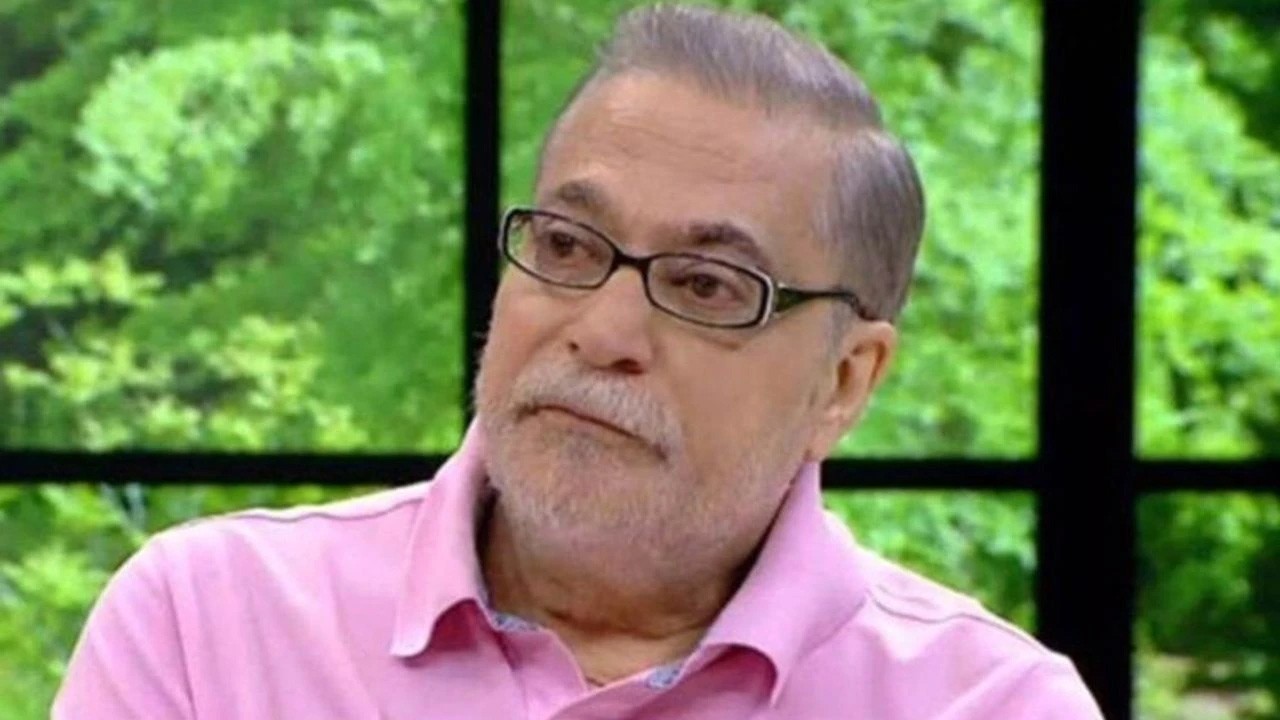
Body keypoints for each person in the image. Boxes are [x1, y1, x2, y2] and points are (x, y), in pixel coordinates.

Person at [53, 5, 1105, 719]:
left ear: (844, 383)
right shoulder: (210, 623)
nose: (601, 331)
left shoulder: (989, 703)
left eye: (705, 286)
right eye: (565, 246)